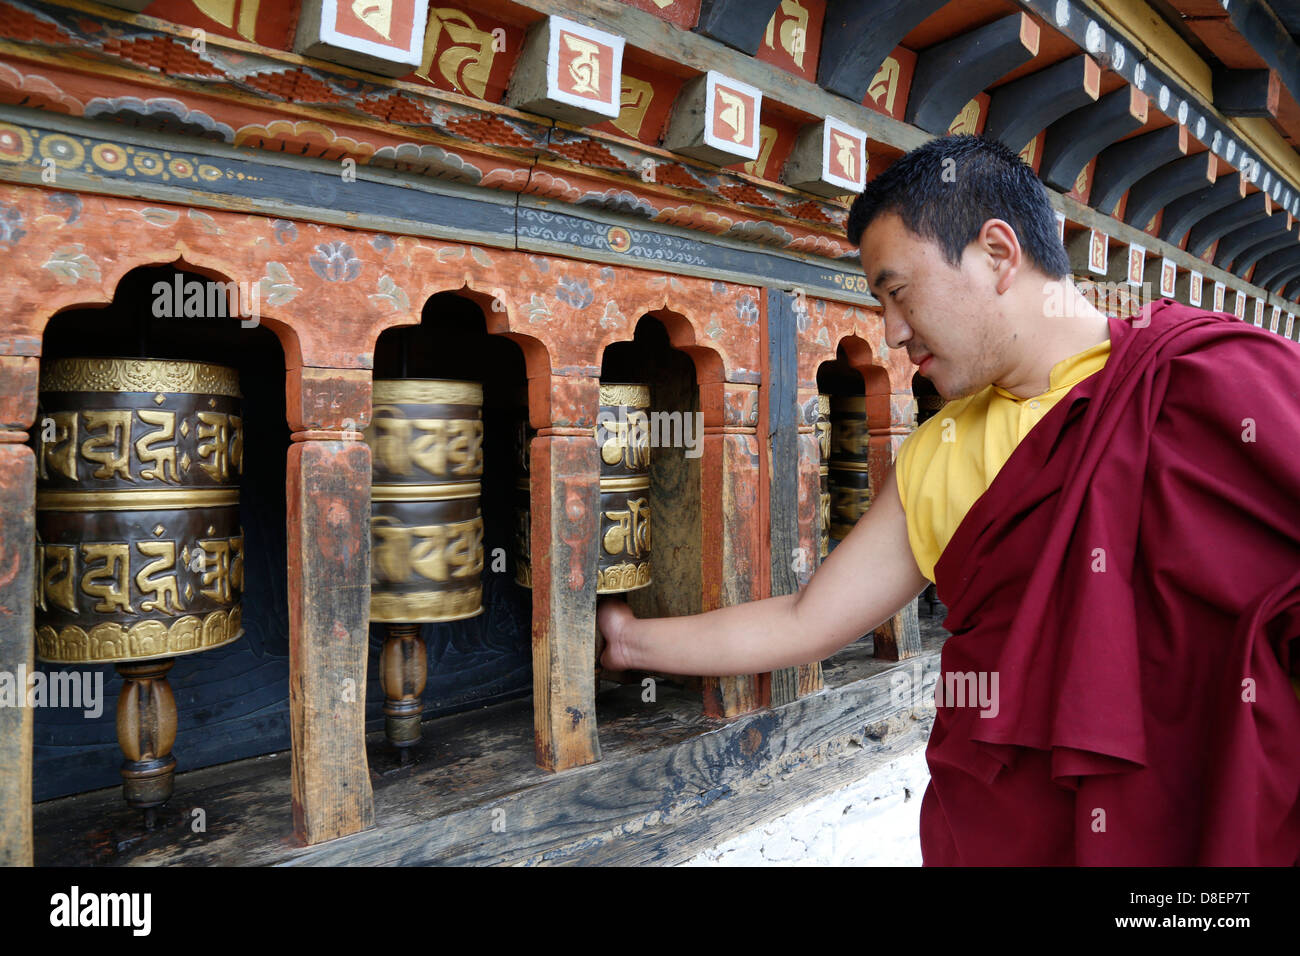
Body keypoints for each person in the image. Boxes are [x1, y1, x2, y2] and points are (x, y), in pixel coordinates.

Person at [596, 133, 1300, 865]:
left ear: (998, 254)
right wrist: (632, 641)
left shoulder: (1214, 380)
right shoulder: (938, 456)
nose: (893, 332)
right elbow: (806, 621)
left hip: (1214, 830)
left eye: (897, 292)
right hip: (1013, 834)